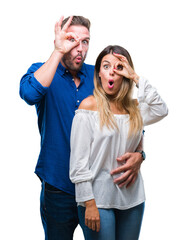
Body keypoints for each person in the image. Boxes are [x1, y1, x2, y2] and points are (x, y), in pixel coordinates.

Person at [19, 16, 145, 240]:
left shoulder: (99, 75)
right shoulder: (44, 71)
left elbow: (128, 118)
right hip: (59, 187)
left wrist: (139, 154)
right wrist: (58, 52)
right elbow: (29, 94)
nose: (79, 48)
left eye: (85, 41)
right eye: (71, 40)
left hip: (98, 191)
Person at [70, 45, 168, 240]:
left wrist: (135, 77)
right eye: (106, 66)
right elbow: (78, 164)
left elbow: (161, 109)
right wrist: (88, 203)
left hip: (132, 200)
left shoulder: (134, 109)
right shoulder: (89, 107)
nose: (112, 72)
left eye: (119, 67)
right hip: (98, 200)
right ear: (98, 73)